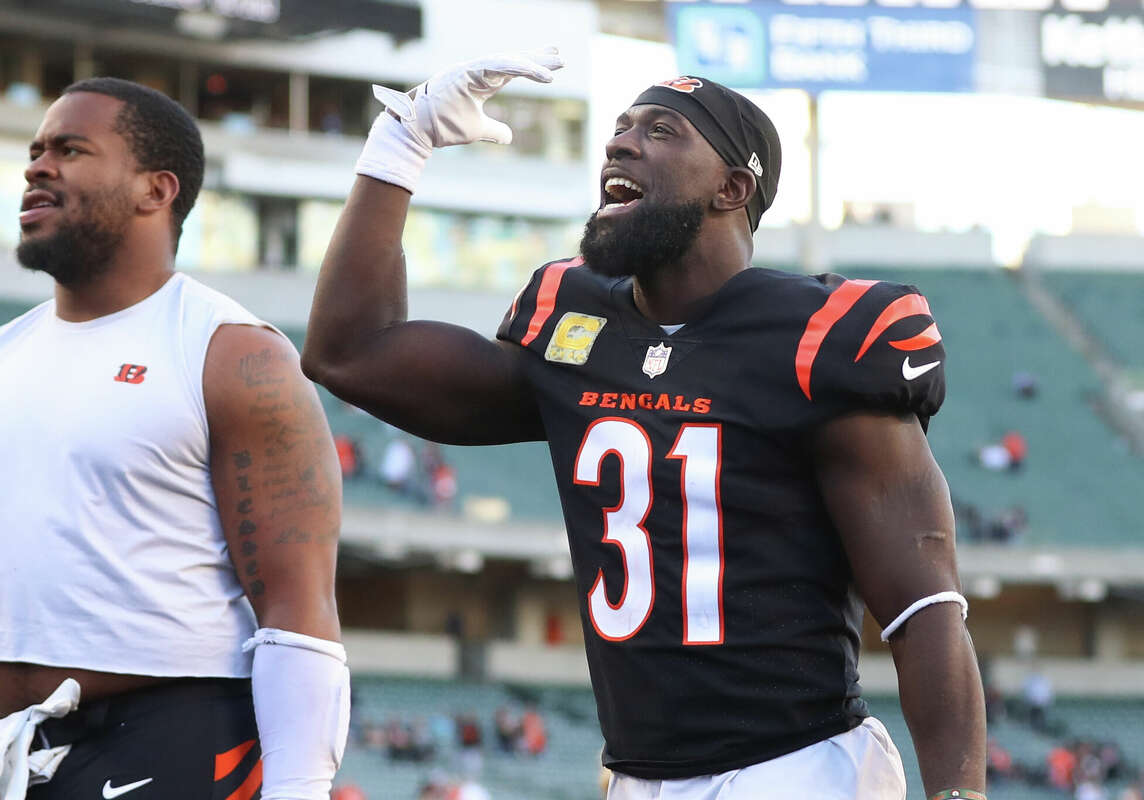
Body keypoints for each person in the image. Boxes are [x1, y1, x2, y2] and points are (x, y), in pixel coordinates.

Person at [303, 50, 986, 799]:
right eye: (622, 128)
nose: (620, 143)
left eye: (662, 132)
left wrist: (958, 794)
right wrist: (402, 143)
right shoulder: (573, 318)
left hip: (796, 767)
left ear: (733, 187)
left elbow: (925, 608)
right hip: (638, 776)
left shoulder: (820, 336)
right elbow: (350, 353)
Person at [0, 78, 348, 799]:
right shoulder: (9, 350)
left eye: (70, 149)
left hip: (172, 734)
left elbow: (298, 605)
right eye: (35, 151)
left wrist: (300, 787)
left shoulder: (232, 354)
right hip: (15, 736)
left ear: (156, 190)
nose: (37, 166)